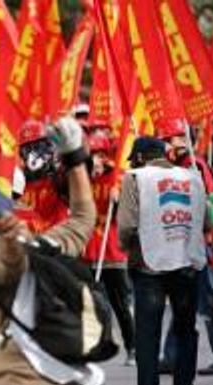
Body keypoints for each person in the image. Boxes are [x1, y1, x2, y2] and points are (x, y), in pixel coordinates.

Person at [0, 117, 100, 385]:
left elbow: (7, 262)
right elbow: (83, 218)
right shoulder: (35, 248)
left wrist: (73, 163)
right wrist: (75, 158)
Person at [118, 135, 207, 385]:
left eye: (134, 158)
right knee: (185, 331)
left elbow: (127, 226)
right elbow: (203, 221)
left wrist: (128, 249)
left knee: (147, 337)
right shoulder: (192, 176)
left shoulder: (135, 177)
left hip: (148, 267)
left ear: (141, 157)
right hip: (187, 264)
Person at [81, 132, 136, 365]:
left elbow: (131, 211)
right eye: (93, 154)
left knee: (121, 304)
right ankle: (95, 346)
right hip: (89, 251)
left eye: (101, 154)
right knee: (92, 302)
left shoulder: (118, 178)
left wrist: (119, 196)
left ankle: (132, 347)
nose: (97, 159)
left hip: (113, 252)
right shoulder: (83, 180)